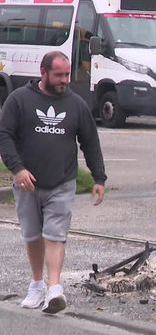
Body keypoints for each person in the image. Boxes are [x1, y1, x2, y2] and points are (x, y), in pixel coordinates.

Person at [0, 51, 106, 314]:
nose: (64, 80)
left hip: (62, 182)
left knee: (55, 235)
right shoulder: (19, 100)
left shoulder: (76, 105)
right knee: (33, 235)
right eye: (59, 75)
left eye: (67, 74)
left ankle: (55, 289)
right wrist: (18, 169)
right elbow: (4, 135)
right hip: (27, 184)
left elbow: (90, 142)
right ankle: (37, 286)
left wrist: (99, 178)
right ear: (43, 72)